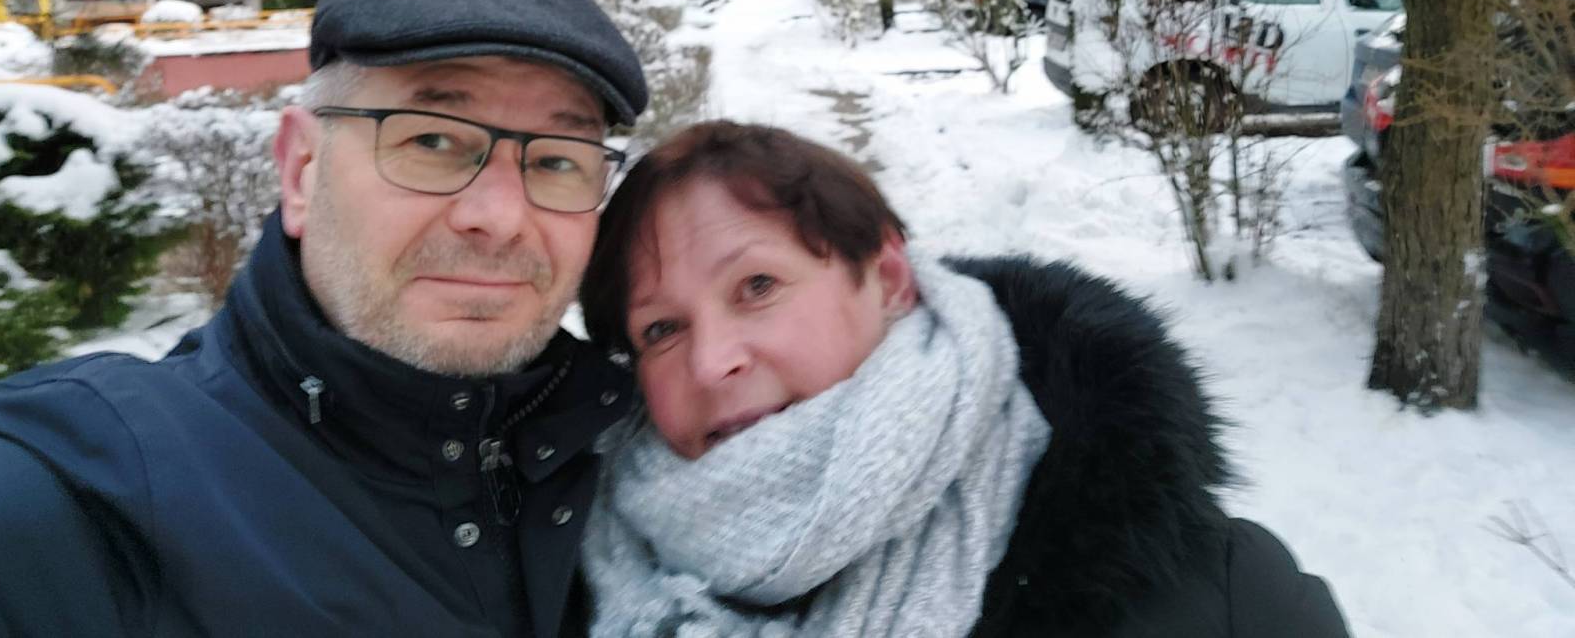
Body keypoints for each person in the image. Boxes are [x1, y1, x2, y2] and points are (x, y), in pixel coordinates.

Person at [0, 0, 649, 637]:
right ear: (301, 170)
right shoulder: (73, 505)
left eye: (557, 160)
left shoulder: (638, 459)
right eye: (431, 141)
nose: (501, 218)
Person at [576, 120, 1352, 638]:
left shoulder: (1225, 604)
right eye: (661, 329)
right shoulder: (571, 582)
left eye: (757, 287)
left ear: (888, 280)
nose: (711, 362)